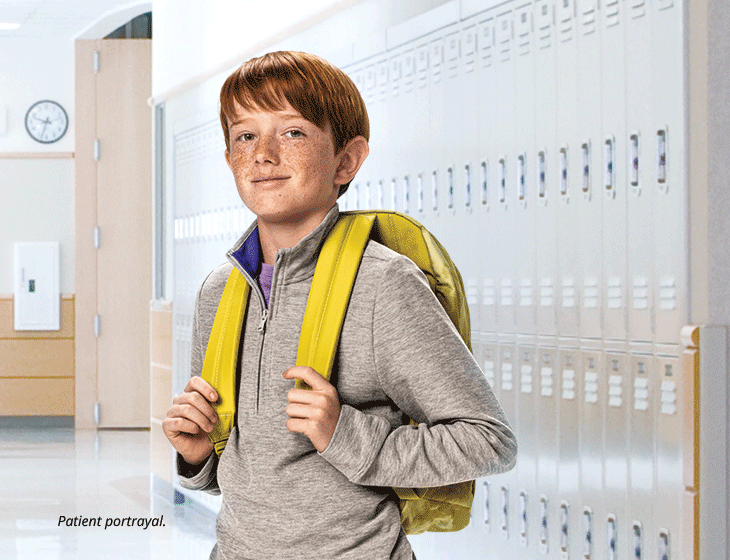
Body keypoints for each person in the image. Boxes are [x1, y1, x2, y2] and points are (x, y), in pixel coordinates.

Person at [161, 51, 517, 559]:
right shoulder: (221, 290)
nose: (263, 154)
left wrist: (345, 434)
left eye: (292, 133)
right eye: (245, 136)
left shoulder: (383, 285)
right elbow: (257, 473)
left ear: (346, 161)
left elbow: (488, 441)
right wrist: (199, 457)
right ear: (229, 159)